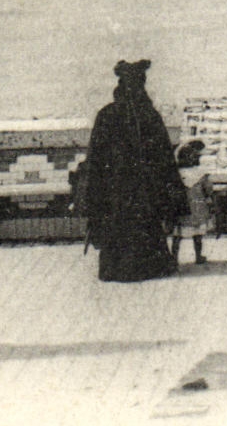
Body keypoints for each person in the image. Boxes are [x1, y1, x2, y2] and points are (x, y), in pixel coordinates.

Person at [80, 61, 186, 283]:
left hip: (114, 190)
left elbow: (94, 162)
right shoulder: (150, 116)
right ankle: (149, 267)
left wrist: (91, 198)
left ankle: (116, 269)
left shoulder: (106, 115)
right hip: (145, 190)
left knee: (117, 226)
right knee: (145, 226)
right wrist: (173, 199)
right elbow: (166, 160)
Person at [171, 139, 212, 266]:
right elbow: (208, 189)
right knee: (197, 234)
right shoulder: (201, 174)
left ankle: (174, 257)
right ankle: (198, 256)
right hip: (198, 207)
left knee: (178, 234)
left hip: (182, 207)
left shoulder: (176, 174)